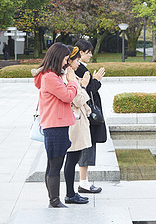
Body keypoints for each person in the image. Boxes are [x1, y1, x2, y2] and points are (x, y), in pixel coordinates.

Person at [33, 42, 78, 208]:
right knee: (55, 164)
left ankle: (54, 199)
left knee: (53, 163)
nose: (66, 63)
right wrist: (72, 82)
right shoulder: (50, 77)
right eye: (65, 59)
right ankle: (54, 201)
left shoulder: (51, 75)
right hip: (55, 126)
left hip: (56, 124)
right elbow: (67, 96)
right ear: (58, 58)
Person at [74, 39, 106, 193]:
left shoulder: (81, 68)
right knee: (86, 146)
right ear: (80, 52)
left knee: (87, 146)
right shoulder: (79, 69)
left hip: (84, 113)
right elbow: (87, 91)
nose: (91, 55)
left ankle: (83, 181)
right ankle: (83, 182)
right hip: (85, 114)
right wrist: (97, 81)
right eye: (88, 52)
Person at [63, 46, 92, 204]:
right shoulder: (69, 74)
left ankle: (71, 193)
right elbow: (77, 99)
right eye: (76, 60)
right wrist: (84, 85)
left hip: (76, 119)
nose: (78, 64)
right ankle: (70, 194)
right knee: (72, 157)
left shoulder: (71, 73)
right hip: (74, 121)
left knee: (73, 158)